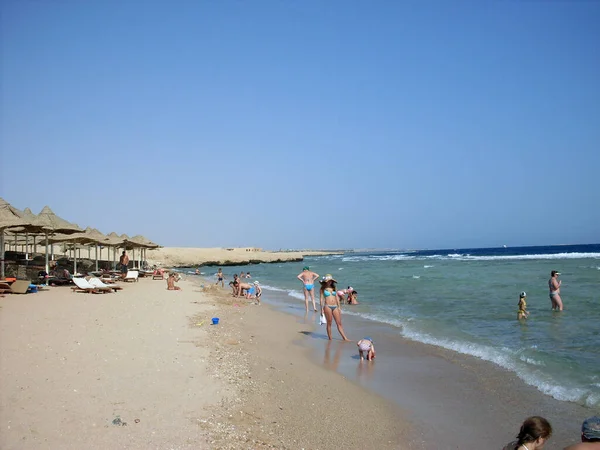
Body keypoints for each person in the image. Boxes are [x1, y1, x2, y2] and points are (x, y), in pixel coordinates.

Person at [319, 274, 350, 341]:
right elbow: (321, 299)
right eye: (329, 281)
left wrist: (339, 307)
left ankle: (345, 338)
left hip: (335, 306)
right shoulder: (322, 288)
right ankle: (330, 339)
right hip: (327, 306)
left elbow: (336, 297)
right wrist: (321, 309)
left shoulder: (334, 287)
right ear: (326, 281)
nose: (330, 282)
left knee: (339, 323)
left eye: (331, 281)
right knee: (329, 323)